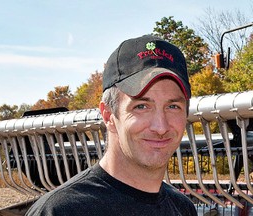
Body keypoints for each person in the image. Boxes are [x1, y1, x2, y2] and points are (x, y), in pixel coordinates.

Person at [26, 35, 197, 216]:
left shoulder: (183, 209)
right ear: (108, 115)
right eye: (141, 106)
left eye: (172, 106)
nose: (161, 127)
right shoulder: (60, 211)